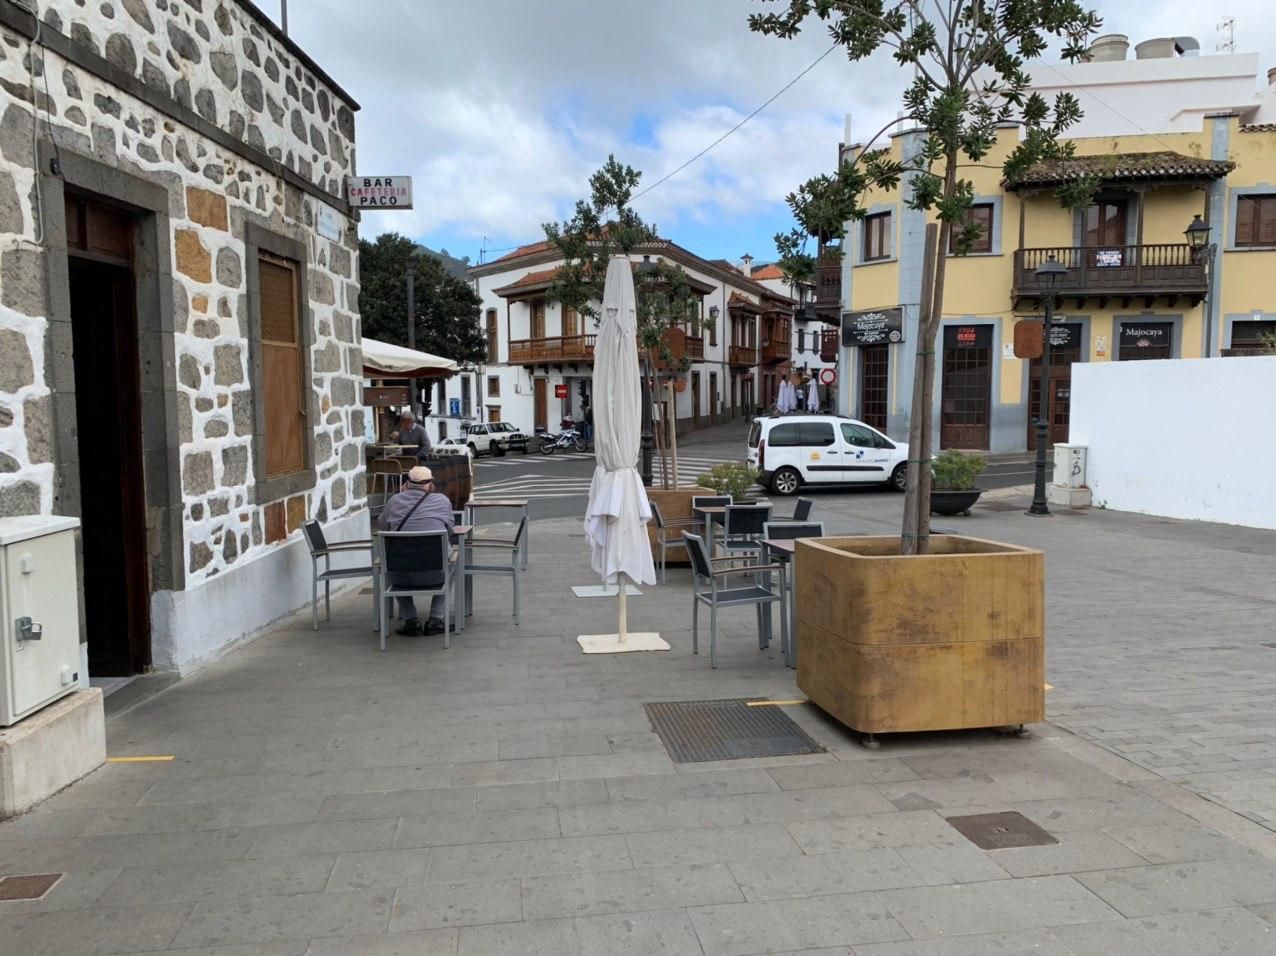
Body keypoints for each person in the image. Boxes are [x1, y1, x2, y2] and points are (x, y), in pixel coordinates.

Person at [378, 465, 455, 636]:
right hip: (436, 574)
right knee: (454, 560)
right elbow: (450, 531)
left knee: (391, 561)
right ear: (430, 485)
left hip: (400, 576)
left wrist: (400, 495)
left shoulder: (394, 501)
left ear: (407, 483)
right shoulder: (442, 500)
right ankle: (436, 618)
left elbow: (383, 527)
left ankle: (411, 620)